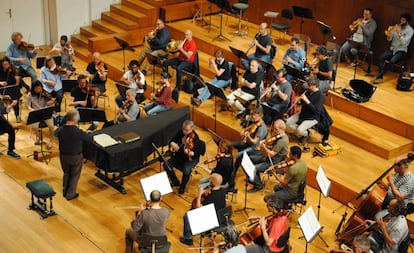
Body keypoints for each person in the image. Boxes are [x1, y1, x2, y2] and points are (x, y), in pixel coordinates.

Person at [54, 109, 92, 200]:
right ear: (75, 120)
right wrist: (86, 133)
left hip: (63, 156)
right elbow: (89, 139)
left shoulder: (60, 130)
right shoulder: (78, 132)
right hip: (75, 156)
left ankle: (65, 190)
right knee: (75, 175)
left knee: (66, 173)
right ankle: (71, 194)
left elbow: (55, 134)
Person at [180, 173, 226, 246]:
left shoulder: (211, 197)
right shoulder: (223, 191)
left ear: (212, 182)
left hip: (212, 220)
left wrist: (200, 193)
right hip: (220, 216)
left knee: (187, 216)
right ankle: (207, 232)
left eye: (210, 180)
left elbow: (198, 207)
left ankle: (188, 239)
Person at [246, 119, 289, 193]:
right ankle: (253, 178)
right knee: (248, 160)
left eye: (276, 129)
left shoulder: (282, 140)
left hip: (273, 163)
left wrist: (264, 147)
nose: (274, 130)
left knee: (254, 168)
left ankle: (258, 185)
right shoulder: (278, 136)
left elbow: (272, 154)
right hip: (267, 158)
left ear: (282, 130)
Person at [163, 120, 204, 195]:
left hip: (190, 160)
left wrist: (192, 153)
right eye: (183, 129)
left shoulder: (195, 138)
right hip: (179, 157)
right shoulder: (180, 133)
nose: (184, 132)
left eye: (187, 130)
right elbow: (172, 140)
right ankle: (175, 182)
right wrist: (172, 144)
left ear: (192, 129)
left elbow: (198, 152)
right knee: (166, 164)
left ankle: (182, 187)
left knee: (186, 171)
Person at [371, 13, 414, 84]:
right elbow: (389, 40)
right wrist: (389, 34)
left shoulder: (410, 30)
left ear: (407, 21)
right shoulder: (397, 26)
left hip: (402, 50)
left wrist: (399, 33)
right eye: (401, 19)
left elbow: (404, 43)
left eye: (403, 20)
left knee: (392, 61)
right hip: (392, 48)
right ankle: (380, 77)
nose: (401, 22)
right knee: (380, 58)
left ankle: (379, 76)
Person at [286, 76, 324, 151]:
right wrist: (299, 100)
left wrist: (307, 101)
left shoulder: (320, 96)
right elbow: (302, 103)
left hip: (312, 117)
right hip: (303, 114)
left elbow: (316, 111)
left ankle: (306, 135)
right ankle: (299, 133)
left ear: (314, 86)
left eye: (309, 85)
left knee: (300, 130)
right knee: (288, 122)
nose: (308, 87)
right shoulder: (308, 91)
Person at [233, 107, 267, 173]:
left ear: (261, 116)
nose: (253, 117)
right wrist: (243, 131)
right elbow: (247, 128)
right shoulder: (256, 123)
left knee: (239, 155)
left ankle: (234, 171)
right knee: (232, 144)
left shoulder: (261, 128)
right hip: (248, 144)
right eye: (253, 115)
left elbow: (254, 141)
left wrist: (248, 136)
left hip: (254, 148)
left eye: (255, 116)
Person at [25, 81, 56, 150]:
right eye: (37, 89)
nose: (39, 90)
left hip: (45, 111)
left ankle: (51, 141)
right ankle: (39, 137)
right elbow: (27, 105)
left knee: (51, 126)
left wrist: (51, 103)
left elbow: (52, 102)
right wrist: (31, 109)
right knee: (35, 127)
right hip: (36, 112)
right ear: (33, 89)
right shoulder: (30, 95)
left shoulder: (45, 93)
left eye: (40, 88)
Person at [0, 56, 22, 123]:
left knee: (15, 99)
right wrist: (0, 83)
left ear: (9, 64)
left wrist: (17, 80)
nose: (5, 66)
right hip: (1, 88)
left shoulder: (13, 69)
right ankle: (2, 115)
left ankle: (17, 114)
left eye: (7, 64)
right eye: (4, 64)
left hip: (11, 88)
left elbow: (17, 83)